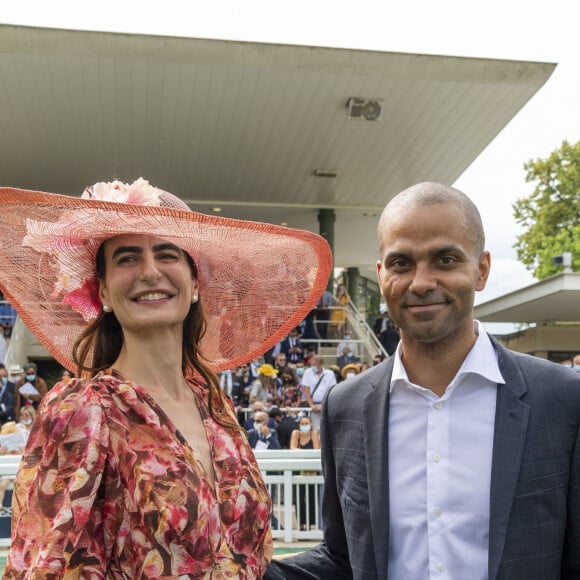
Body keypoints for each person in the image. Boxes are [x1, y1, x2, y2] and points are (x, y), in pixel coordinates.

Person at [0, 177, 332, 577]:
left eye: (167, 254)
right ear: (102, 291)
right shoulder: (85, 410)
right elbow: (43, 566)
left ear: (194, 283)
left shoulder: (215, 406)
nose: (150, 271)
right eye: (127, 258)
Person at [266, 181, 580, 580]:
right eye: (401, 263)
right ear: (381, 276)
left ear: (481, 269)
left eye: (445, 260)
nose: (421, 282)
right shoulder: (344, 407)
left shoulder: (562, 399)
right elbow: (343, 557)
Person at [290, 414, 320, 531]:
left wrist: (301, 453)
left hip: (312, 470)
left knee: (312, 498)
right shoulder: (296, 434)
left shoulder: (314, 434)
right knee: (299, 498)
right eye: (302, 424)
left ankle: (311, 524)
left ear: (311, 424)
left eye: (306, 423)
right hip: (298, 469)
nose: (304, 426)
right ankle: (301, 525)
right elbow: (292, 448)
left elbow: (317, 450)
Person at [301, 355, 336, 430]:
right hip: (314, 405)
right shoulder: (308, 372)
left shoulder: (330, 374)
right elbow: (306, 389)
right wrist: (311, 405)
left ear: (321, 365)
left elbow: (332, 391)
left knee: (328, 430)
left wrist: (325, 406)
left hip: (326, 405)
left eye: (314, 365)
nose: (312, 367)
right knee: (315, 430)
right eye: (311, 365)